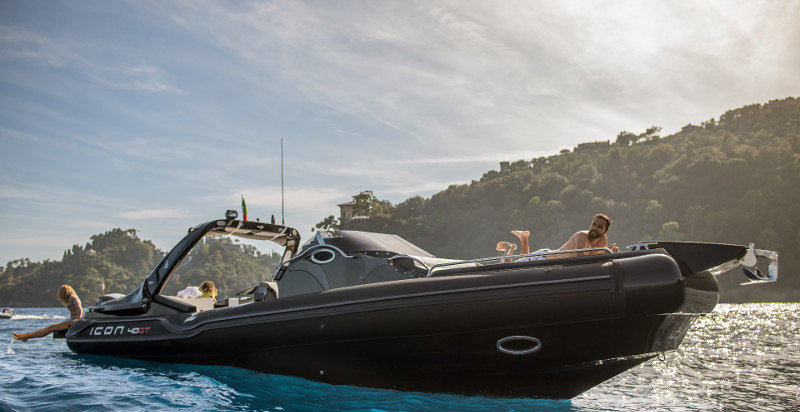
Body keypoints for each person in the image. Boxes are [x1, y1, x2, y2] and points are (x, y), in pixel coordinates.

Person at [497, 214, 619, 261]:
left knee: (523, 262)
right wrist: (606, 253)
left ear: (605, 231)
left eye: (599, 227)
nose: (594, 228)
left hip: (548, 257)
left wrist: (609, 251)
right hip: (543, 258)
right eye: (593, 224)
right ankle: (509, 248)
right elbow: (581, 260)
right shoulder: (582, 236)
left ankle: (524, 238)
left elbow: (594, 258)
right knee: (507, 269)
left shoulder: (603, 240)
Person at [13, 285, 83, 342]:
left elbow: (80, 310)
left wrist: (77, 321)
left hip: (75, 322)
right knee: (50, 328)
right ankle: (24, 336)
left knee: (51, 328)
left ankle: (25, 336)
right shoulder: (70, 298)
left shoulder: (73, 297)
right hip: (73, 321)